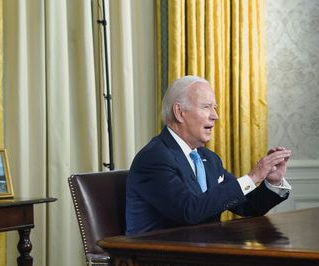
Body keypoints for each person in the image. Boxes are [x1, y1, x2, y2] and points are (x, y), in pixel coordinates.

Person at [125, 75, 292, 235]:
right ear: (179, 112)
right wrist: (253, 176)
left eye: (215, 108)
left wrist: (272, 181)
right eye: (206, 107)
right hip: (158, 258)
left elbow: (250, 206)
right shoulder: (154, 158)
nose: (215, 116)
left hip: (205, 254)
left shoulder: (210, 159)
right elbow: (189, 211)